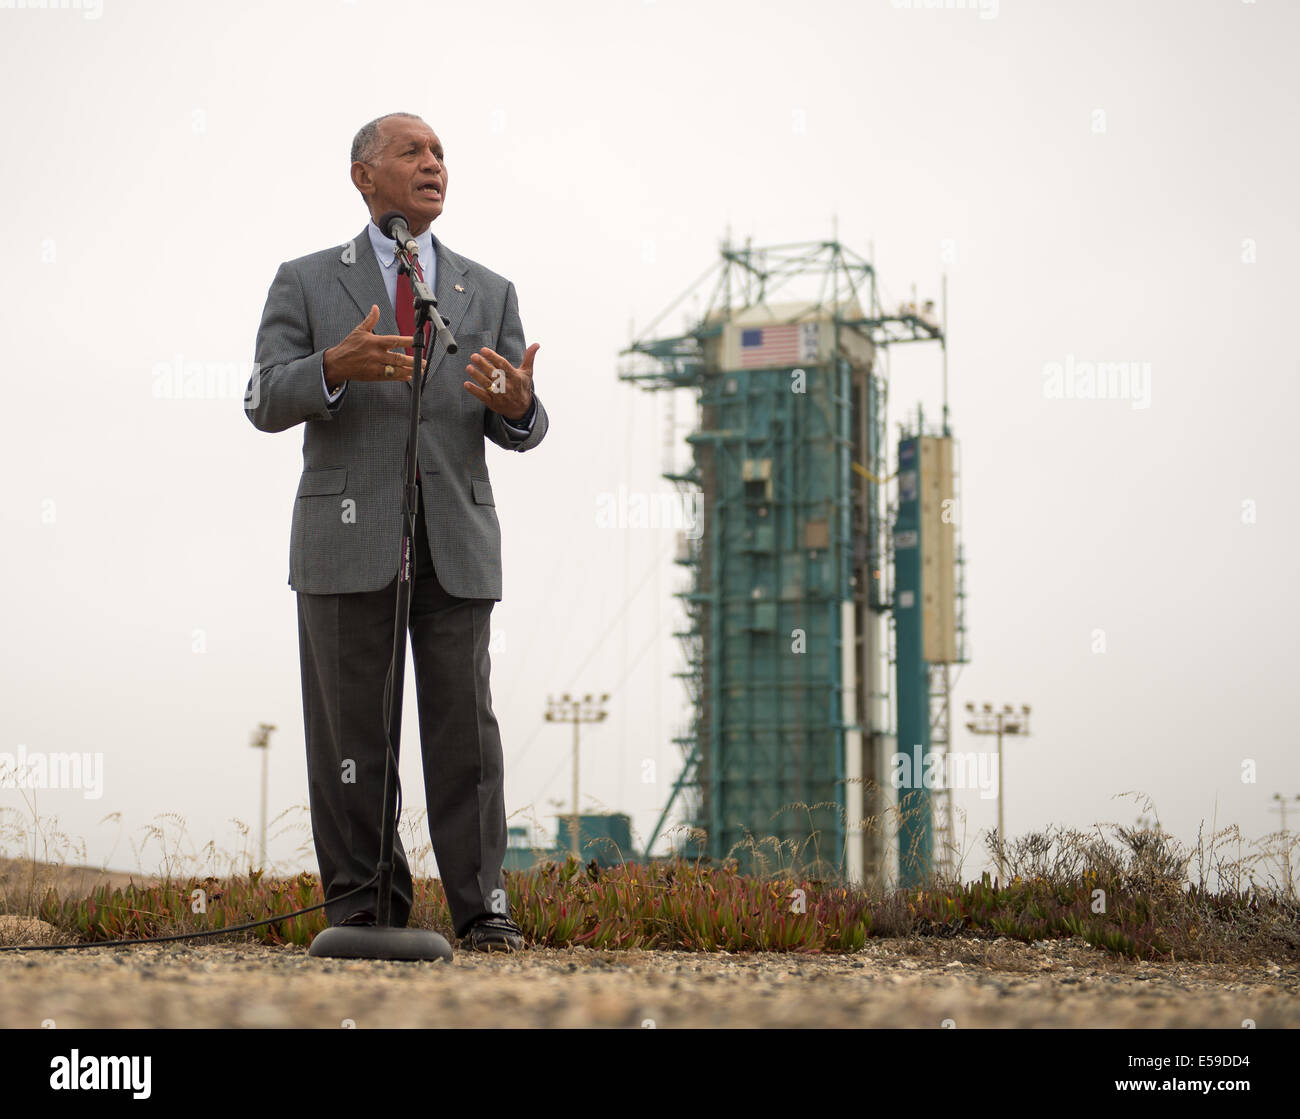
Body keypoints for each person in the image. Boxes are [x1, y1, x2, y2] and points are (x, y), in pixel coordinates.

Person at [244, 112, 548, 952]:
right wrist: (330, 370)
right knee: (351, 737)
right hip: (346, 541)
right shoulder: (305, 281)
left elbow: (522, 417)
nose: (433, 163)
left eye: (441, 152)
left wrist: (521, 409)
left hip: (455, 541)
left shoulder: (489, 292)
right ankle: (364, 906)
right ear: (363, 176)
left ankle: (483, 910)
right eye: (412, 151)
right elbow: (262, 397)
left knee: (465, 737)